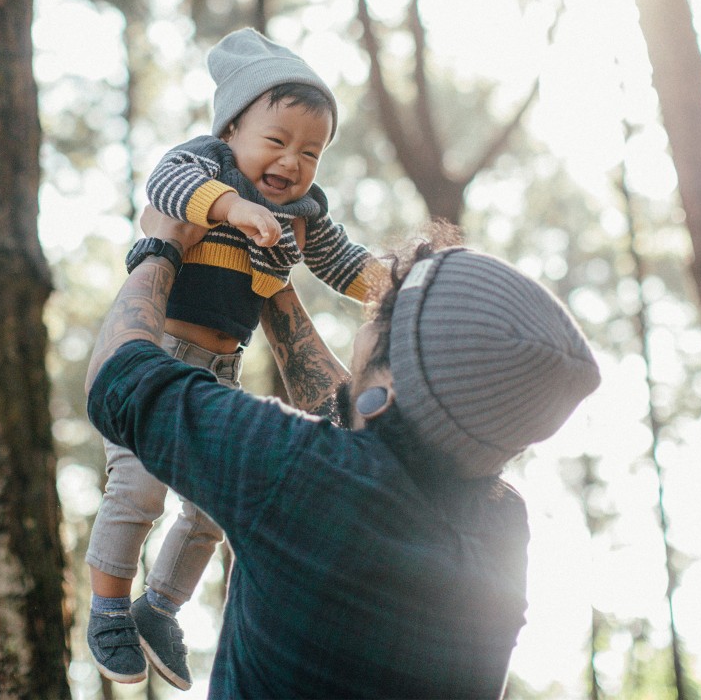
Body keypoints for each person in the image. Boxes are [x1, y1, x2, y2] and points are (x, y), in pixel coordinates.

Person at [85, 207, 601, 699]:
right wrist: (270, 279)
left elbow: (118, 379)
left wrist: (161, 246)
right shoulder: (502, 526)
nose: (372, 311)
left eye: (388, 311)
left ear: (391, 382)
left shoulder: (297, 473)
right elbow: (366, 420)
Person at [85, 27, 384, 690]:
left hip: (221, 368)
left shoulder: (302, 212)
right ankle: (107, 604)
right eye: (276, 141)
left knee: (212, 502)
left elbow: (340, 263)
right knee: (137, 488)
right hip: (158, 353)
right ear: (231, 133)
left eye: (311, 152)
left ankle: (159, 605)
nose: (292, 162)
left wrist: (390, 285)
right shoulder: (206, 166)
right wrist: (232, 207)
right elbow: (164, 185)